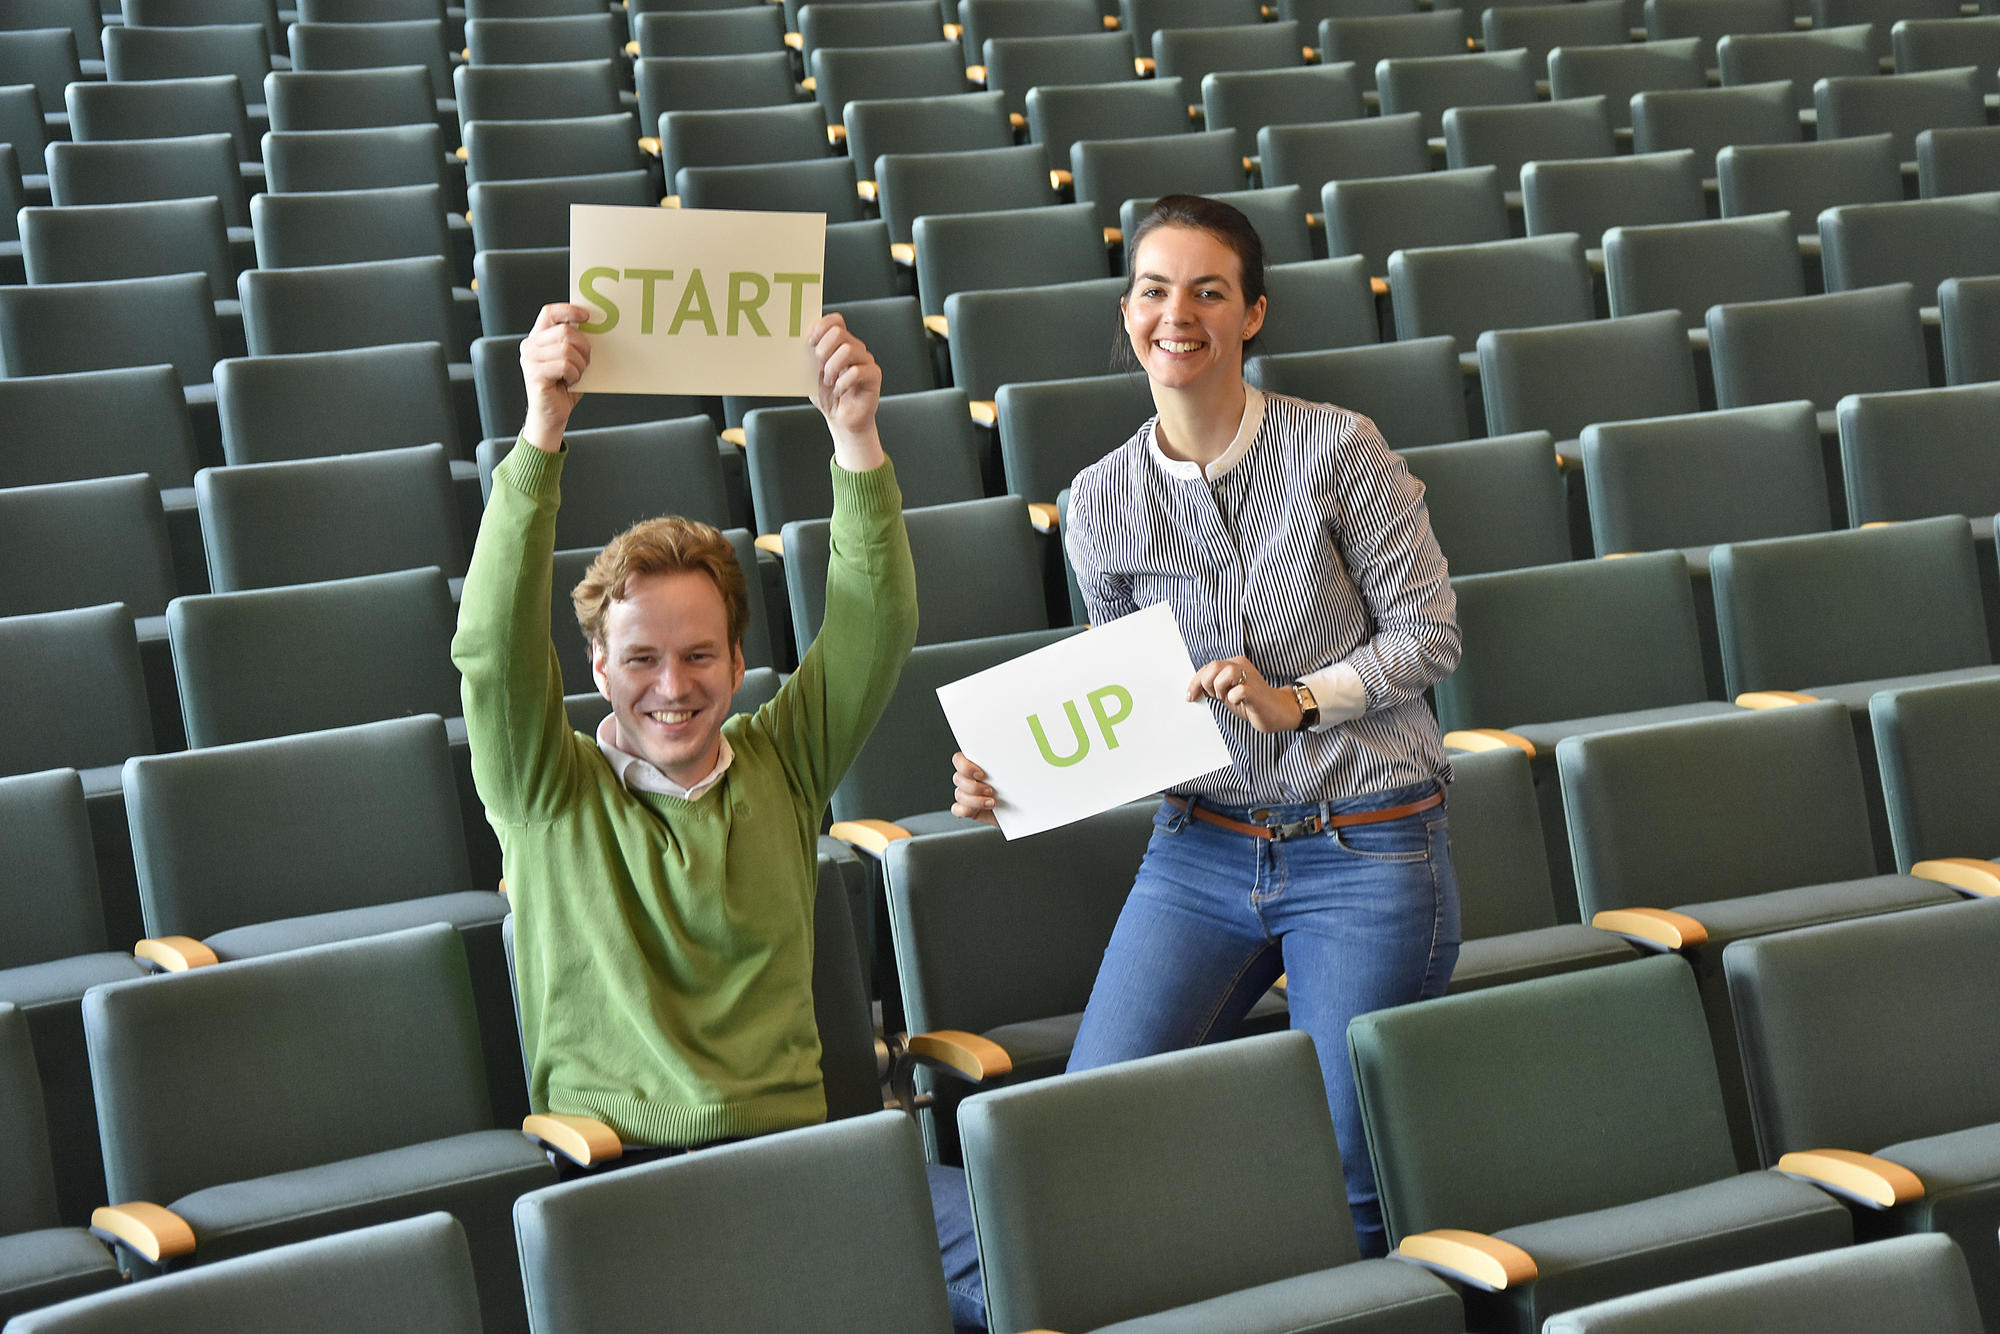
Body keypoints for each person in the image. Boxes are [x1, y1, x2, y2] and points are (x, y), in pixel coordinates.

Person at [950, 194, 1462, 1258]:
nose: (1173, 312)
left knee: (1343, 1170)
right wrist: (1015, 774)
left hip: (1364, 840)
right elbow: (1127, 710)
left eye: (1205, 290)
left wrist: (1297, 698)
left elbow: (1427, 634)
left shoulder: (1337, 448)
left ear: (1251, 314)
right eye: (1150, 289)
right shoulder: (1096, 501)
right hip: (1200, 847)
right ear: (1126, 312)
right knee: (1085, 1131)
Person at [454, 305, 982, 1326]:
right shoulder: (545, 787)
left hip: (804, 1155)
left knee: (1043, 1243)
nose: (672, 685)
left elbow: (878, 620)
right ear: (597, 665)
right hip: (629, 1175)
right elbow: (489, 645)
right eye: (640, 658)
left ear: (739, 664)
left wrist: (853, 432)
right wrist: (541, 429)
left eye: (700, 655)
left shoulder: (783, 759)